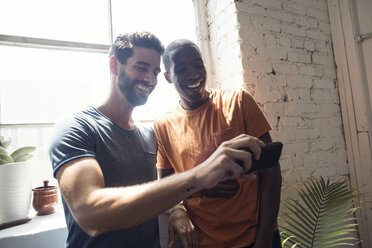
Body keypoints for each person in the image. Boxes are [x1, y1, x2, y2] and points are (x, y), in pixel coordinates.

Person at [48, 32, 265, 248]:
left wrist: (177, 207)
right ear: (115, 66)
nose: (150, 79)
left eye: (155, 71)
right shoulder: (75, 127)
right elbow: (89, 214)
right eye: (142, 68)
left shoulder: (148, 135)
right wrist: (202, 175)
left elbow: (161, 189)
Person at [154, 39, 282, 248]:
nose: (194, 73)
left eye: (198, 64)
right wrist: (179, 208)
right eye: (182, 68)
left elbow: (271, 169)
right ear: (168, 77)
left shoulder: (239, 102)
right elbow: (166, 182)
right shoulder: (163, 125)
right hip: (204, 242)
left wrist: (265, 237)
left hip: (256, 237)